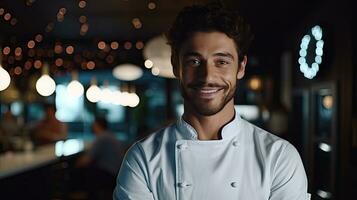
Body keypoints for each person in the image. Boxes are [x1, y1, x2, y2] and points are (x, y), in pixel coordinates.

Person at [114, 3, 310, 200]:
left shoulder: (279, 157)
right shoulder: (142, 159)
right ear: (176, 66)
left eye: (222, 62)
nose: (207, 76)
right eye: (194, 61)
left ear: (241, 67)